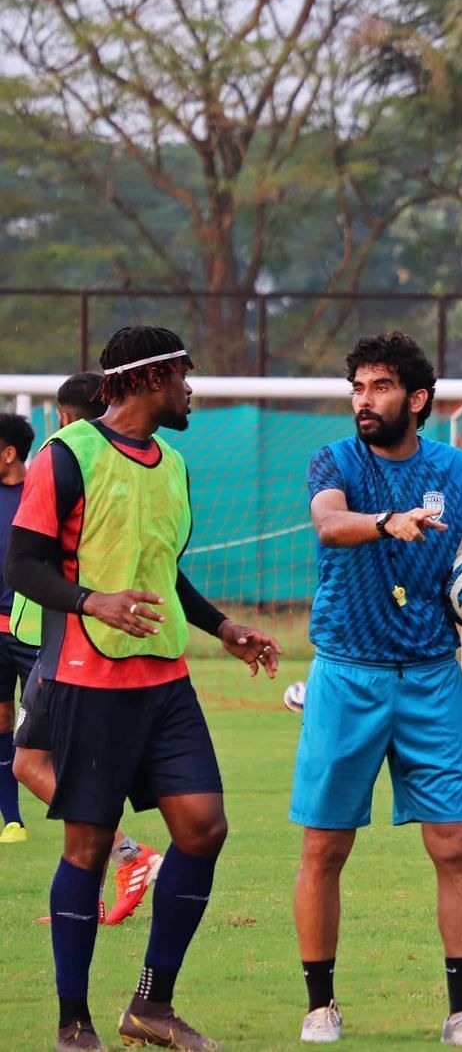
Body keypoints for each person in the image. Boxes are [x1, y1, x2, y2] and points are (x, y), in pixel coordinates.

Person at [5, 326, 282, 1052]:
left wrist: (222, 627)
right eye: (184, 375)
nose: (192, 388)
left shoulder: (175, 464)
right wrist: (92, 600)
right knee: (88, 847)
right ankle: (73, 1021)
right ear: (149, 376)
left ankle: (151, 1005)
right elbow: (23, 565)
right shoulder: (65, 457)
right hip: (88, 680)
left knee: (203, 827)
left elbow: (164, 571)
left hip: (168, 683)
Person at [291, 330, 462, 1046]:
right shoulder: (336, 459)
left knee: (456, 845)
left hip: (434, 679)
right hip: (347, 672)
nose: (364, 400)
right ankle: (321, 1006)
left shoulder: (460, 474)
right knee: (324, 848)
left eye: (379, 387)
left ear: (417, 398)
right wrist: (386, 522)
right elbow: (328, 523)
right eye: (357, 388)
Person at [13, 372, 163, 925]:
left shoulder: (67, 465)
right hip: (49, 636)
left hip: (60, 643)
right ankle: (93, 889)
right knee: (44, 765)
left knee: (38, 765)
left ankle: (128, 857)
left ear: (66, 418)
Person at [0, 412, 37, 843]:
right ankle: (11, 818)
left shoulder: (38, 496)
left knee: (45, 729)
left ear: (9, 453)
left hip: (31, 634)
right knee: (0, 718)